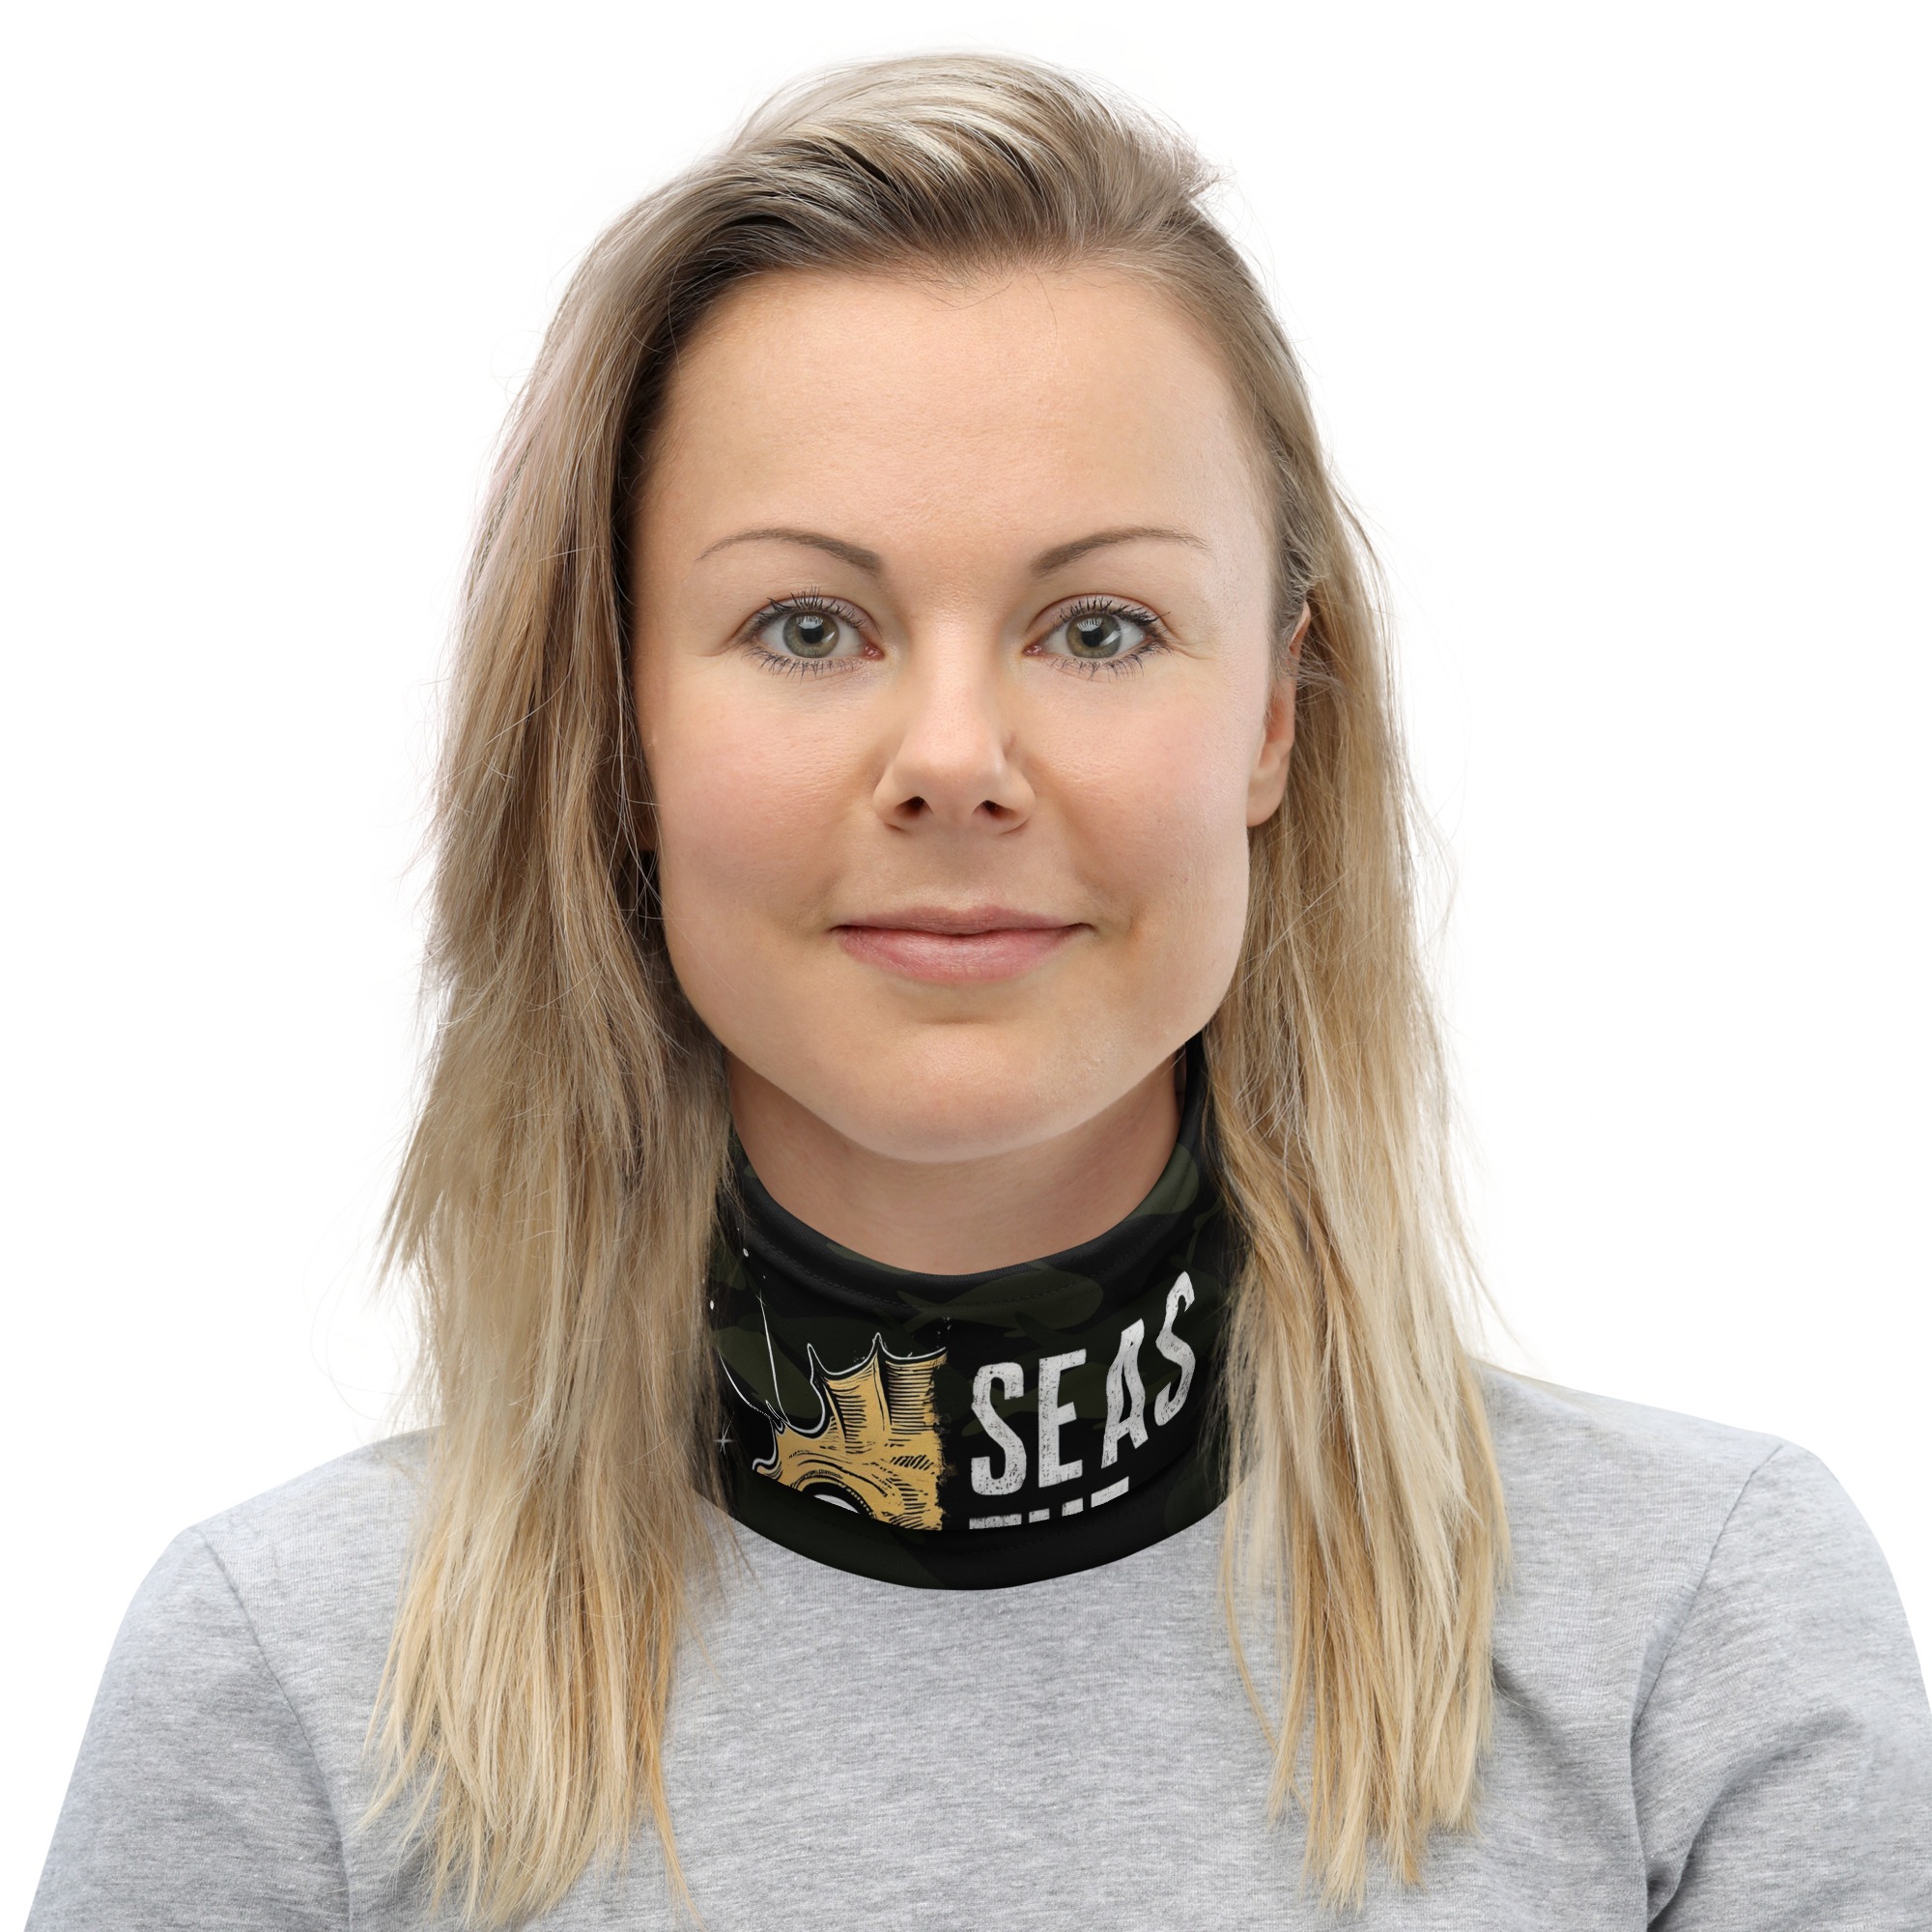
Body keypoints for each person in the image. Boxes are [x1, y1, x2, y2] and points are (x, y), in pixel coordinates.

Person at [28, 50, 1930, 1932]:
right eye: (806, 626)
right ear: (621, 722)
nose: (954, 758)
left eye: (1097, 627)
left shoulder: (1698, 1653)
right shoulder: (288, 1695)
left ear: (1275, 716)